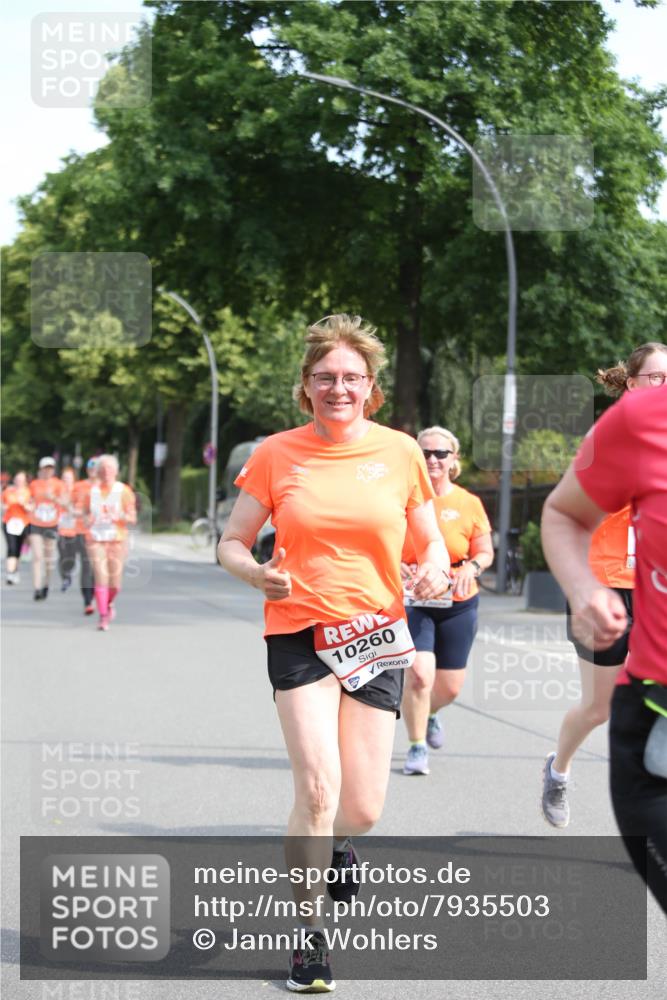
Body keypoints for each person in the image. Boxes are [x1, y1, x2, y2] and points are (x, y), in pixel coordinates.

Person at [218, 314, 450, 993]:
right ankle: (309, 936)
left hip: (375, 634)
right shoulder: (276, 453)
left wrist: (435, 569)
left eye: (351, 377)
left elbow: (430, 541)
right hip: (298, 631)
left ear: (371, 386)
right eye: (325, 377)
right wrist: (255, 573)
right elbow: (231, 542)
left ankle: (338, 844)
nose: (338, 388)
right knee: (317, 789)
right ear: (306, 385)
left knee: (362, 809)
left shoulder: (401, 452)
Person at [542, 381, 667, 914]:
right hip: (609, 595)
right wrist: (583, 589)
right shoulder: (636, 424)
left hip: (642, 591)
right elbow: (566, 513)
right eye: (652, 377)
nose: (660, 385)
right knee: (597, 706)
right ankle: (559, 769)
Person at [400, 427, 494, 775]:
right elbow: (380, 539)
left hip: (458, 601)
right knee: (419, 675)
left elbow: (485, 551)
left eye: (441, 453)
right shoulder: (402, 498)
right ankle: (416, 746)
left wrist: (472, 567)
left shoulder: (469, 503)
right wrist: (394, 563)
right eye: (425, 453)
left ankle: (431, 714)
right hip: (414, 598)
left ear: (454, 459)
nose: (433, 459)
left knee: (450, 688)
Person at [83, 454, 137, 631]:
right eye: (103, 468)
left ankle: (108, 603)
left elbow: (132, 518)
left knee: (115, 584)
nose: (106, 472)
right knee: (101, 576)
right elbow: (84, 515)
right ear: (98, 472)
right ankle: (103, 615)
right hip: (95, 539)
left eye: (110, 468)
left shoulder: (124, 491)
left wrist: (120, 516)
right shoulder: (91, 492)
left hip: (117, 539)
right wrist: (87, 520)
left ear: (116, 471)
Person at [28, 457, 63, 601]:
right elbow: (29, 499)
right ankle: (37, 588)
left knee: (49, 558)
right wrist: (29, 505)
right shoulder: (34, 484)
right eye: (45, 468)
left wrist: (53, 498)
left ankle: (46, 584)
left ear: (53, 470)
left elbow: (65, 502)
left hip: (51, 524)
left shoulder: (58, 484)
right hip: (35, 522)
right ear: (41, 469)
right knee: (37, 556)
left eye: (50, 468)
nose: (48, 471)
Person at [73, 458, 99, 615]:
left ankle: (96, 594)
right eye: (91, 468)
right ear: (87, 470)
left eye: (96, 468)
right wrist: (77, 512)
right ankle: (87, 600)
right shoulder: (79, 486)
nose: (93, 471)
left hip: (102, 533)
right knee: (87, 565)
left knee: (98, 567)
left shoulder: (106, 488)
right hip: (82, 530)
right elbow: (70, 505)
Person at [2, 471, 31, 585]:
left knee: (18, 549)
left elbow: (32, 507)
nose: (19, 482)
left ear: (25, 481)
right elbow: (2, 504)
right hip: (9, 522)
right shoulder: (8, 491)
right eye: (17, 479)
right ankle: (10, 573)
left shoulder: (28, 492)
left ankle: (15, 570)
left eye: (21, 480)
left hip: (23, 523)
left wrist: (25, 505)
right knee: (11, 547)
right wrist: (4, 507)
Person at [57, 467, 79, 592]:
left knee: (72, 555)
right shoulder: (58, 491)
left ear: (73, 479)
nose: (66, 480)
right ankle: (65, 577)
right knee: (63, 554)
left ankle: (69, 572)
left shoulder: (77, 491)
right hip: (60, 528)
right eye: (64, 478)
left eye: (69, 478)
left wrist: (68, 505)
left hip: (74, 528)